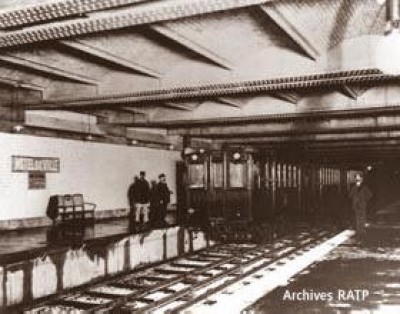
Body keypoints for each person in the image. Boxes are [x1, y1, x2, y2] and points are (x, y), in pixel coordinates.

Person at [349, 173, 372, 240]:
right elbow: (350, 195)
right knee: (357, 218)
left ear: (362, 179)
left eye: (359, 178)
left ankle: (362, 231)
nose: (358, 179)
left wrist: (364, 200)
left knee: (362, 218)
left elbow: (369, 195)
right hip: (356, 205)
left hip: (362, 205)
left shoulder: (364, 187)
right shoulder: (354, 187)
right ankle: (359, 231)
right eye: (356, 178)